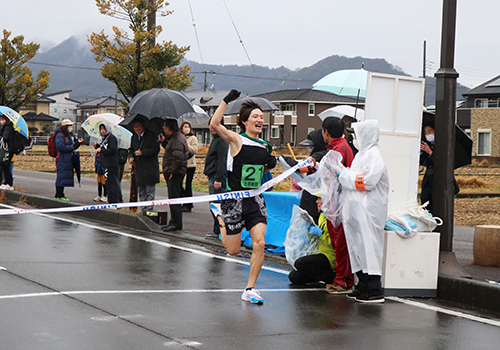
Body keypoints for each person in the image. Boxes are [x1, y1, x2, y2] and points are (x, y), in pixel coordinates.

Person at [210, 89, 277, 304]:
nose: (260, 119)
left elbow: (263, 169)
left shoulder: (266, 145)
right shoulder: (237, 140)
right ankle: (219, 216)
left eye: (261, 117)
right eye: (255, 116)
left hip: (255, 199)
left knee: (259, 242)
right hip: (234, 199)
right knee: (233, 250)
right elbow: (214, 125)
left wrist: (271, 164)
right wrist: (225, 101)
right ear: (244, 121)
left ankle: (250, 288)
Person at [338, 120, 389, 303]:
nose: (353, 137)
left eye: (356, 134)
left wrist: (344, 176)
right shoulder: (361, 155)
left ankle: (374, 288)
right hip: (355, 210)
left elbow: (367, 182)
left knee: (369, 247)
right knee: (357, 248)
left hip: (369, 212)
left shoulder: (374, 156)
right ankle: (363, 284)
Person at [321, 117, 355, 295]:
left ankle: (344, 281)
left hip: (341, 203)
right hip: (335, 203)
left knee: (342, 244)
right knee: (338, 243)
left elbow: (335, 176)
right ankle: (341, 278)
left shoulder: (339, 148)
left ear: (326, 131)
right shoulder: (337, 147)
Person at [288, 198, 336, 286]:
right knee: (294, 277)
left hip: (331, 255)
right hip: (320, 252)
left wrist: (320, 234)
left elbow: (335, 242)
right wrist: (309, 230)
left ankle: (331, 277)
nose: (316, 202)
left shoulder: (333, 218)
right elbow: (316, 238)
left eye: (320, 199)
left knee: (301, 263)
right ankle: (322, 275)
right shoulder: (322, 215)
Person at [419, 121, 459, 214]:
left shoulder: (443, 145)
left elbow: (441, 163)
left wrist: (430, 152)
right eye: (425, 133)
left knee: (436, 206)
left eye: (430, 131)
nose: (428, 134)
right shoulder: (429, 145)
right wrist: (422, 151)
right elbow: (423, 161)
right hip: (428, 181)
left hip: (438, 181)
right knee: (425, 204)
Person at [159, 118, 189, 232]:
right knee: (173, 198)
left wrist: (173, 172)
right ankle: (174, 221)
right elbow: (173, 152)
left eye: (164, 127)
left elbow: (178, 158)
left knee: (174, 199)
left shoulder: (176, 139)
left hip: (175, 175)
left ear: (168, 127)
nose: (164, 129)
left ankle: (176, 223)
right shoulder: (176, 138)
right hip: (175, 174)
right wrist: (163, 142)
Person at [128, 118, 161, 215]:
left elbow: (156, 149)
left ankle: (149, 211)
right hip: (140, 168)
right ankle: (143, 210)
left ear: (143, 126)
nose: (136, 128)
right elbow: (131, 149)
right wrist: (131, 156)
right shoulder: (134, 137)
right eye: (134, 126)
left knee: (149, 192)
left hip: (150, 168)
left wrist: (143, 152)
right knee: (141, 191)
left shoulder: (151, 135)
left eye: (138, 126)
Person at [203, 117, 229, 239]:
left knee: (217, 205)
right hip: (213, 175)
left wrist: (219, 178)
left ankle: (218, 230)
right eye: (210, 125)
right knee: (215, 204)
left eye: (215, 125)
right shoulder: (216, 139)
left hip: (217, 177)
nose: (212, 127)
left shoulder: (222, 141)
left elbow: (222, 161)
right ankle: (217, 230)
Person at [54, 119, 83, 201]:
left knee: (63, 176)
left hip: (66, 158)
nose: (71, 127)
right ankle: (59, 194)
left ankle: (59, 194)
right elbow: (60, 147)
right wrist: (72, 147)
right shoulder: (60, 135)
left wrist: (77, 143)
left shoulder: (67, 135)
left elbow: (72, 147)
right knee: (61, 176)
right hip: (62, 158)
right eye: (69, 125)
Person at [95, 123, 119, 204]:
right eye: (101, 129)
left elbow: (112, 150)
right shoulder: (105, 138)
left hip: (111, 164)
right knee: (108, 183)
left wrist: (101, 151)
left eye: (104, 129)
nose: (102, 131)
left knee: (112, 183)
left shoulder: (111, 138)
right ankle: (110, 200)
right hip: (106, 164)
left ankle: (114, 201)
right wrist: (98, 147)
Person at [180, 121, 198, 212]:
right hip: (181, 164)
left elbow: (194, 150)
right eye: (184, 126)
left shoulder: (193, 138)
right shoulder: (180, 137)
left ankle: (188, 204)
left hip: (191, 164)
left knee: (188, 184)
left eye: (188, 126)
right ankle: (184, 199)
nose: (186, 128)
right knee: (179, 183)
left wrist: (186, 144)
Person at [0, 114, 14, 190]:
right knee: (5, 166)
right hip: (7, 150)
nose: (1, 121)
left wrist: (1, 137)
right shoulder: (6, 127)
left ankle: (9, 183)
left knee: (6, 166)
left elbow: (5, 138)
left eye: (2, 119)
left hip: (7, 150)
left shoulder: (7, 127)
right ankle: (6, 182)